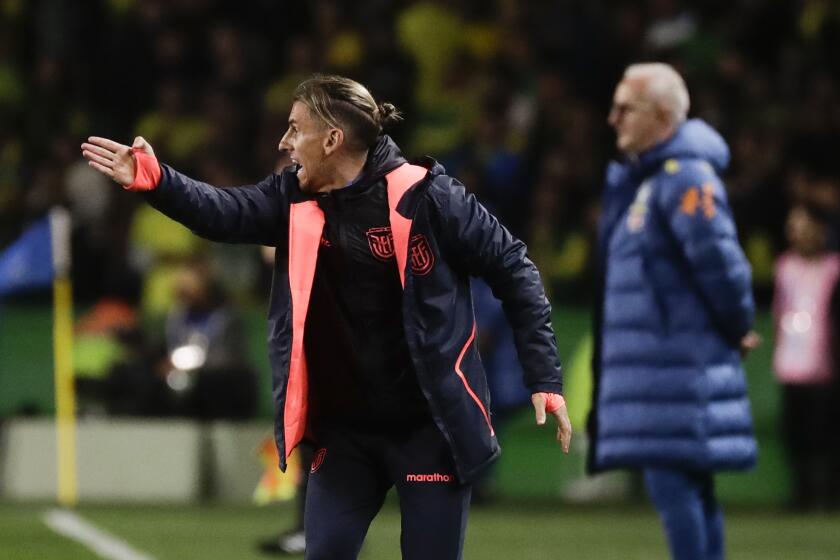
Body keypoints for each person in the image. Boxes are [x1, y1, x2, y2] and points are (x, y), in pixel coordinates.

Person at [81, 74, 571, 560]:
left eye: (295, 128)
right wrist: (157, 180)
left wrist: (544, 375)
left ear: (332, 139)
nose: (284, 142)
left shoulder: (430, 198)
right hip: (344, 432)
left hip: (428, 427)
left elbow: (515, 268)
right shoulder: (290, 197)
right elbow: (222, 212)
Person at [587, 63, 758, 560]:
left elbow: (721, 264)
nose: (612, 117)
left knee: (674, 484)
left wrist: (739, 324)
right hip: (663, 363)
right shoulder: (648, 178)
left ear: (662, 116)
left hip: (675, 363)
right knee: (686, 486)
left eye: (626, 108)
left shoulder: (684, 178)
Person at [772, 203, 840, 511]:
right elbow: (778, 312)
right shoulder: (785, 266)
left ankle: (827, 494)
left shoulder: (833, 268)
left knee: (824, 435)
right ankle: (802, 493)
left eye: (803, 226)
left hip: (824, 365)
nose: (797, 233)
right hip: (791, 364)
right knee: (795, 434)